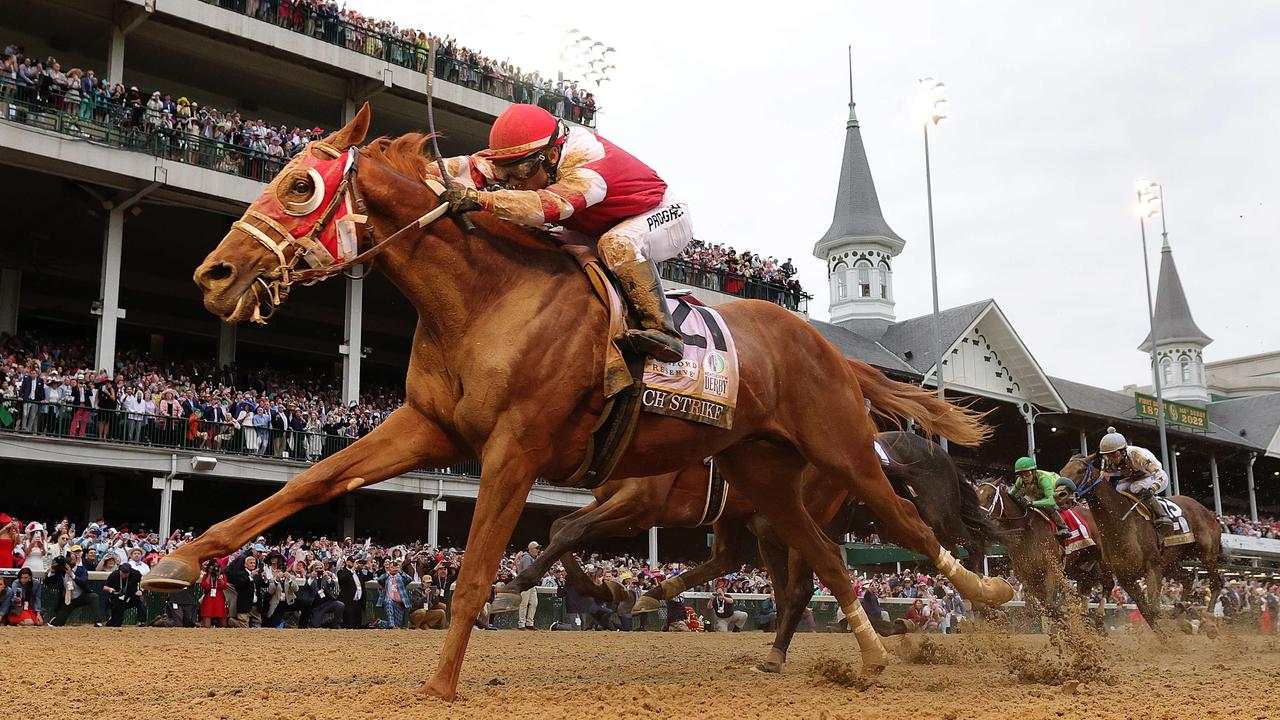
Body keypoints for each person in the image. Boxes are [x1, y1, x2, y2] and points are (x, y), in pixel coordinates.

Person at [437, 103, 694, 362]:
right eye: (507, 173)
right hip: (601, 223)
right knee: (543, 239)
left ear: (550, 157)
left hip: (661, 213)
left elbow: (547, 207)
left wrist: (482, 200)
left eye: (522, 172)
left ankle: (663, 331)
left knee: (617, 243)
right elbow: (473, 166)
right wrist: (420, 172)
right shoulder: (538, 151)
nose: (515, 182)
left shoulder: (588, 165)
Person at [1098, 427, 1173, 526]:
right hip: (1134, 478)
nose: (1112, 459)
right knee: (1116, 488)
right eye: (1108, 455)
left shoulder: (1138, 455)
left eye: (1114, 454)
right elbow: (1106, 479)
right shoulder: (1108, 460)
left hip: (1153, 476)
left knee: (1135, 487)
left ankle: (1162, 515)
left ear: (1123, 451)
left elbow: (1161, 475)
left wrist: (1152, 489)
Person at [1010, 457, 1070, 537]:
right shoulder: (1020, 480)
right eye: (1021, 474)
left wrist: (1031, 503)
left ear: (1033, 472)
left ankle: (1063, 527)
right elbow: (1010, 496)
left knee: (1048, 506)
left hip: (1057, 491)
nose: (1024, 477)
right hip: (1039, 493)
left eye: (1027, 473)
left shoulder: (1043, 479)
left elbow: (1051, 501)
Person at [48, 550, 101, 626]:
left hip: (80, 597)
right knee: (58, 624)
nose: (70, 562)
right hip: (67, 600)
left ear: (76, 560)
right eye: (68, 560)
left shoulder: (82, 570)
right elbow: (48, 583)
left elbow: (83, 582)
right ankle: (56, 619)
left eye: (72, 560)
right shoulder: (60, 571)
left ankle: (98, 621)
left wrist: (72, 575)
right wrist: (52, 571)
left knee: (94, 596)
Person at [103, 557, 145, 627]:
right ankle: (112, 621)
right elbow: (105, 587)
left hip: (131, 596)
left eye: (126, 573)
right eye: (122, 572)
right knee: (116, 623)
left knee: (139, 601)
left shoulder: (136, 574)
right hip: (117, 598)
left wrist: (140, 590)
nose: (124, 575)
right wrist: (111, 590)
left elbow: (142, 583)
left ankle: (142, 621)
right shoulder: (114, 575)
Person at [515, 541, 540, 629]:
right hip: (525, 583)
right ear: (531, 549)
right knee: (524, 604)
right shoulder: (526, 558)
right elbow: (527, 572)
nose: (538, 550)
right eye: (536, 548)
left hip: (531, 584)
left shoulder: (532, 558)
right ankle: (521, 624)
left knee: (534, 603)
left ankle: (529, 623)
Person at [199, 560, 229, 627]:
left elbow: (224, 586)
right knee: (207, 614)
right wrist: (209, 573)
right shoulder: (206, 576)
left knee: (222, 617)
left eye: (217, 566)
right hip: (209, 597)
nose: (215, 568)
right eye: (213, 566)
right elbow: (205, 586)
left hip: (219, 597)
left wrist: (218, 576)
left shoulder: (222, 576)